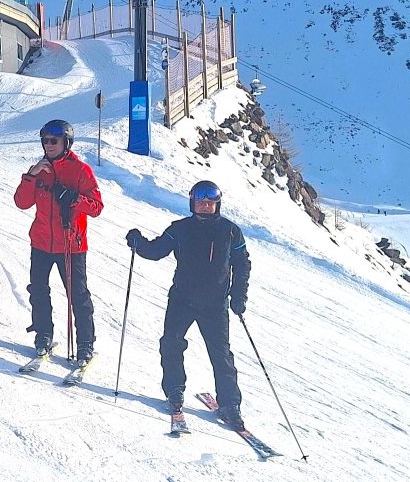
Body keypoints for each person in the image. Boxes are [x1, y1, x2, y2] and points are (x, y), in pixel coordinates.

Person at [125, 180, 252, 431]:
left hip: (215, 304)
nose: (205, 205)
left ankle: (229, 404)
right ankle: (174, 390)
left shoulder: (230, 231)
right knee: (171, 344)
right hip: (182, 299)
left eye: (210, 202)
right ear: (192, 203)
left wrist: (239, 295)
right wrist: (138, 243)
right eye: (200, 201)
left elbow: (242, 264)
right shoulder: (180, 229)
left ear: (217, 204)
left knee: (221, 355)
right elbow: (156, 251)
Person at [14, 119, 104, 366]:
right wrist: (30, 176)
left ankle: (85, 344)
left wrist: (75, 199)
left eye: (54, 140)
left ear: (66, 142)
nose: (49, 145)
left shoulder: (81, 171)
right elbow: (21, 202)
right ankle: (44, 334)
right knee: (38, 291)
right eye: (45, 141)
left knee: (78, 296)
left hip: (71, 245)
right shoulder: (38, 170)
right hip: (41, 243)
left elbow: (97, 207)